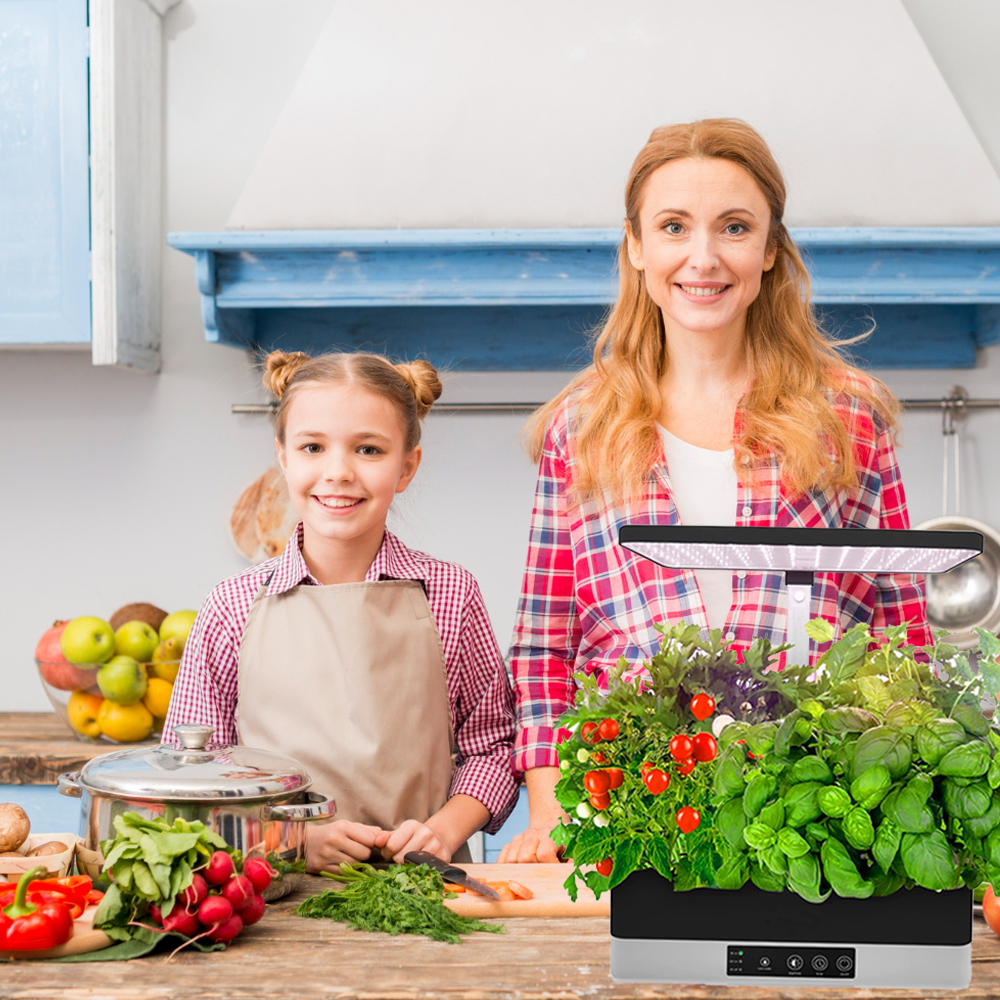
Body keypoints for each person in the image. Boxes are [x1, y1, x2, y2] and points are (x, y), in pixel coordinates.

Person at [498, 118, 931, 864]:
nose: (703, 258)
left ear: (768, 251)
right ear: (637, 247)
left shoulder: (848, 415)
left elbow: (902, 630)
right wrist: (545, 814)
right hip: (628, 811)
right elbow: (546, 643)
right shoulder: (582, 427)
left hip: (807, 816)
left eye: (734, 227)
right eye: (674, 226)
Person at [165, 350, 519, 871]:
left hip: (423, 892)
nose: (338, 472)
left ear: (407, 467)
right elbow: (188, 782)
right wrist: (291, 842)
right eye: (313, 446)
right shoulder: (231, 606)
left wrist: (442, 832)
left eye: (369, 450)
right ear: (284, 457)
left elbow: (491, 749)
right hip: (271, 900)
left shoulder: (450, 592)